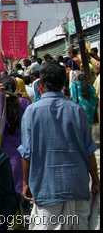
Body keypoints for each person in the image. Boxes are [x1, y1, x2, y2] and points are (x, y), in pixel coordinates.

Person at [18, 62, 100, 229]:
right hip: (77, 186)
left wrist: (25, 183)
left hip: (46, 189)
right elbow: (89, 150)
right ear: (64, 84)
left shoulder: (31, 112)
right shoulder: (77, 110)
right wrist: (96, 180)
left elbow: (27, 153)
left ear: (40, 84)